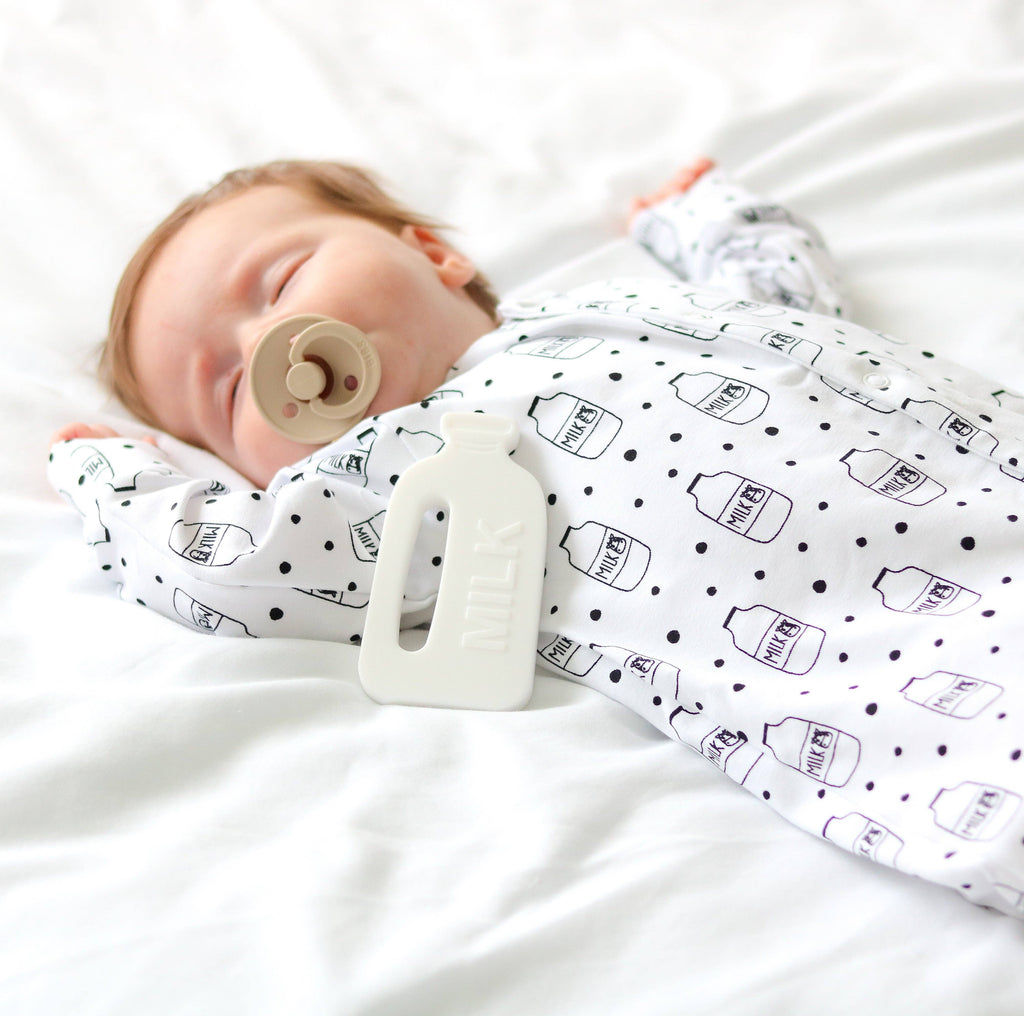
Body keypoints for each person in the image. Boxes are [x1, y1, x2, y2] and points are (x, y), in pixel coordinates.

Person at [49, 158, 1024, 917]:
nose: (271, 348)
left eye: (282, 279)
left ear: (433, 254)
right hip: (939, 684)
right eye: (227, 392)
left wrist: (708, 213)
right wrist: (116, 481)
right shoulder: (407, 474)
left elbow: (783, 307)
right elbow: (242, 565)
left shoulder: (604, 305)